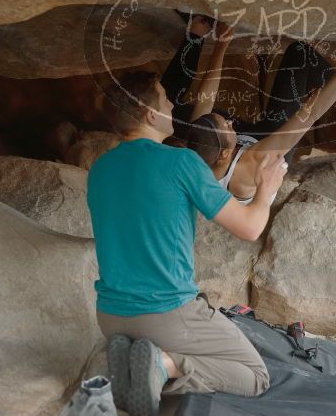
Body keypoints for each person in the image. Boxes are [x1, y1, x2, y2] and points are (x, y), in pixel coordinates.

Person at [87, 71, 287, 416]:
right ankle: (163, 367)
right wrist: (266, 189)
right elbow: (250, 228)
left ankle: (130, 355)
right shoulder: (181, 162)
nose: (172, 104)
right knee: (255, 375)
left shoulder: (101, 168)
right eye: (165, 99)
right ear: (150, 115)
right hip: (165, 314)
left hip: (110, 315)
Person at [180, 19, 336, 203]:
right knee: (300, 53)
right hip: (271, 147)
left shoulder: (199, 150)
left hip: (242, 144)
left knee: (188, 112)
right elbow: (312, 115)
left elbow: (205, 98)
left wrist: (221, 44)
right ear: (224, 154)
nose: (229, 121)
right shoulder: (255, 163)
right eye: (226, 126)